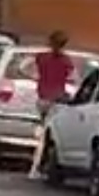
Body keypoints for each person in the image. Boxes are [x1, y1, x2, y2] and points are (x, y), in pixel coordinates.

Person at [29, 30, 74, 180]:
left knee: (43, 133)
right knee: (49, 136)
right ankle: (39, 167)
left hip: (42, 98)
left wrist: (36, 78)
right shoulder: (66, 61)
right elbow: (73, 77)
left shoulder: (41, 58)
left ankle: (37, 166)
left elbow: (24, 68)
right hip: (57, 100)